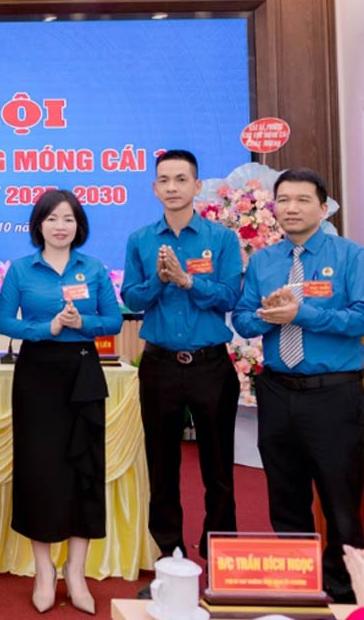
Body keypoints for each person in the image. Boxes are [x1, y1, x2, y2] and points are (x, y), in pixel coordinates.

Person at [232, 168, 364, 604]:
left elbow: (360, 318)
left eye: (302, 199)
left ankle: (347, 592)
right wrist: (268, 315)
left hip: (334, 394)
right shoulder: (266, 261)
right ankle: (298, 588)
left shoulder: (350, 256)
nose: (290, 207)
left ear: (322, 208)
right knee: (284, 495)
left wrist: (302, 314)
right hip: (278, 391)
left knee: (340, 500)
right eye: (283, 199)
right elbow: (243, 318)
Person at [0, 189, 122, 615]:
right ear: (39, 225)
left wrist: (83, 323)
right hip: (38, 375)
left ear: (78, 225)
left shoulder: (94, 268)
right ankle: (44, 570)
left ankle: (77, 572)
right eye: (52, 219)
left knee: (84, 469)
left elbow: (114, 321)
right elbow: (2, 321)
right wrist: (44, 327)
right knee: (41, 471)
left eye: (68, 218)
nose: (60, 226)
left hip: (83, 372)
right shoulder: (21, 270)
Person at [122, 150, 241, 583]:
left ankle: (219, 548)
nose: (172, 187)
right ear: (155, 189)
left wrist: (189, 280)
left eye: (180, 179)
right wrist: (160, 279)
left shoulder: (221, 239)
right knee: (163, 462)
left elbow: (230, 297)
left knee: (217, 463)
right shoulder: (140, 239)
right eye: (164, 180)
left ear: (196, 186)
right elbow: (131, 300)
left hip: (211, 366)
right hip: (159, 366)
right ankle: (168, 550)